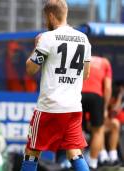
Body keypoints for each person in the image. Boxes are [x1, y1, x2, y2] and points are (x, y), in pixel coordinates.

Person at [20, 0, 91, 171]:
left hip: (49, 107)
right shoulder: (83, 39)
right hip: (73, 107)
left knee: (32, 150)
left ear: (51, 15)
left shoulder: (47, 38)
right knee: (74, 151)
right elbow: (86, 74)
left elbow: (30, 69)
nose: (46, 22)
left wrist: (36, 46)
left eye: (46, 18)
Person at [81, 56, 112, 169]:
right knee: (98, 131)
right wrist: (105, 108)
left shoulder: (80, 58)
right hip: (96, 96)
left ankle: (77, 164)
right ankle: (93, 164)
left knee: (77, 131)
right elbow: (107, 88)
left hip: (78, 94)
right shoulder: (105, 62)